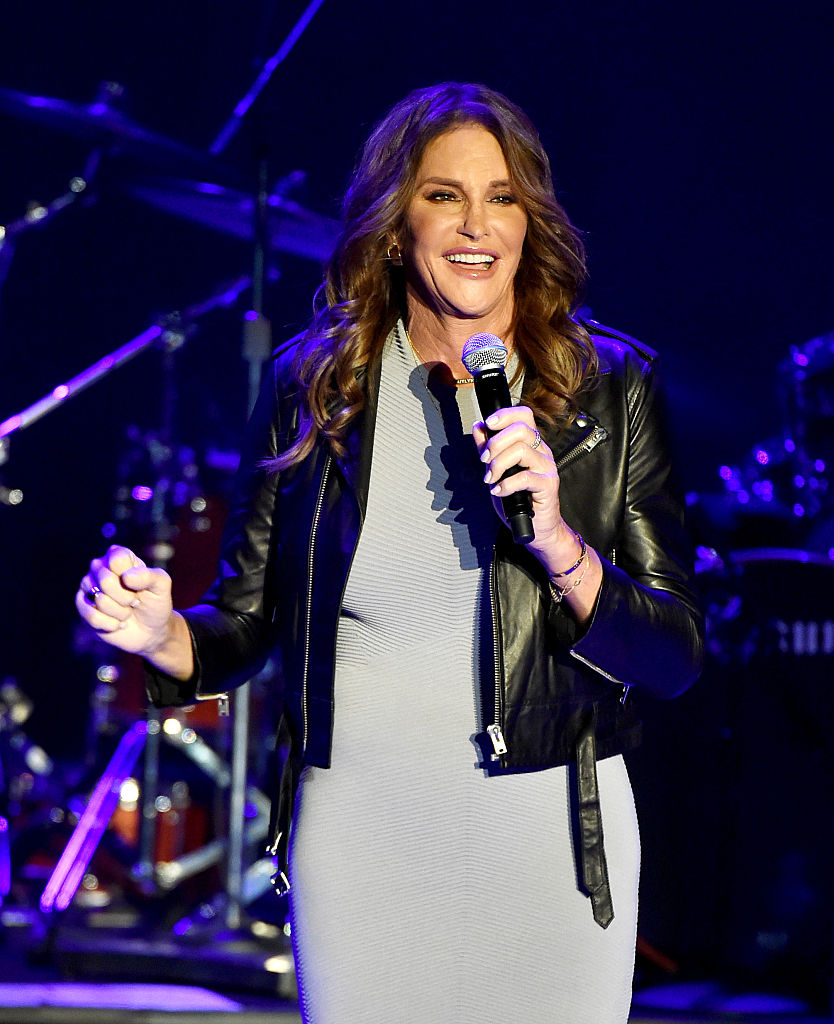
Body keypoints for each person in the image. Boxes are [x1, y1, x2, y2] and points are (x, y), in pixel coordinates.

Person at [76, 82, 704, 1023]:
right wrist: (166, 635)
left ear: (531, 220)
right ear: (394, 221)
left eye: (502, 197)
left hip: (550, 834)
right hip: (364, 834)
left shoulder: (610, 389)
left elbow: (673, 656)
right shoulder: (314, 386)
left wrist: (560, 541)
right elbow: (246, 621)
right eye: (444, 195)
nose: (476, 225)